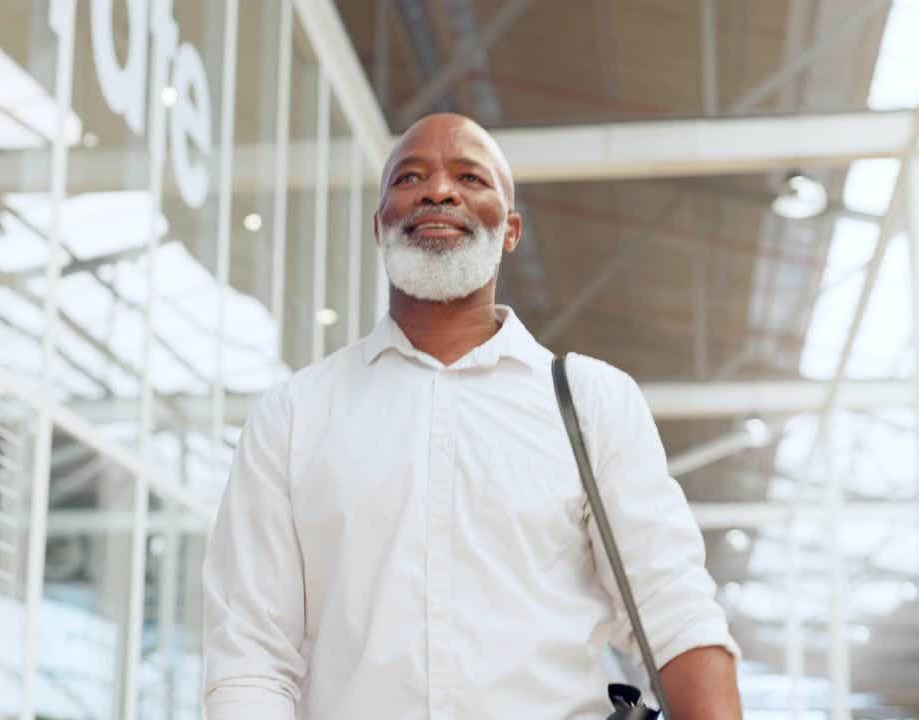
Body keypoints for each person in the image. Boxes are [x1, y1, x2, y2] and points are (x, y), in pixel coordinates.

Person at [202, 112, 743, 719]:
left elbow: (673, 610)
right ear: (380, 227)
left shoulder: (592, 401)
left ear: (510, 230)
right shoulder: (294, 414)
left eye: (471, 177)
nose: (438, 190)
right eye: (409, 177)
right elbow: (250, 654)